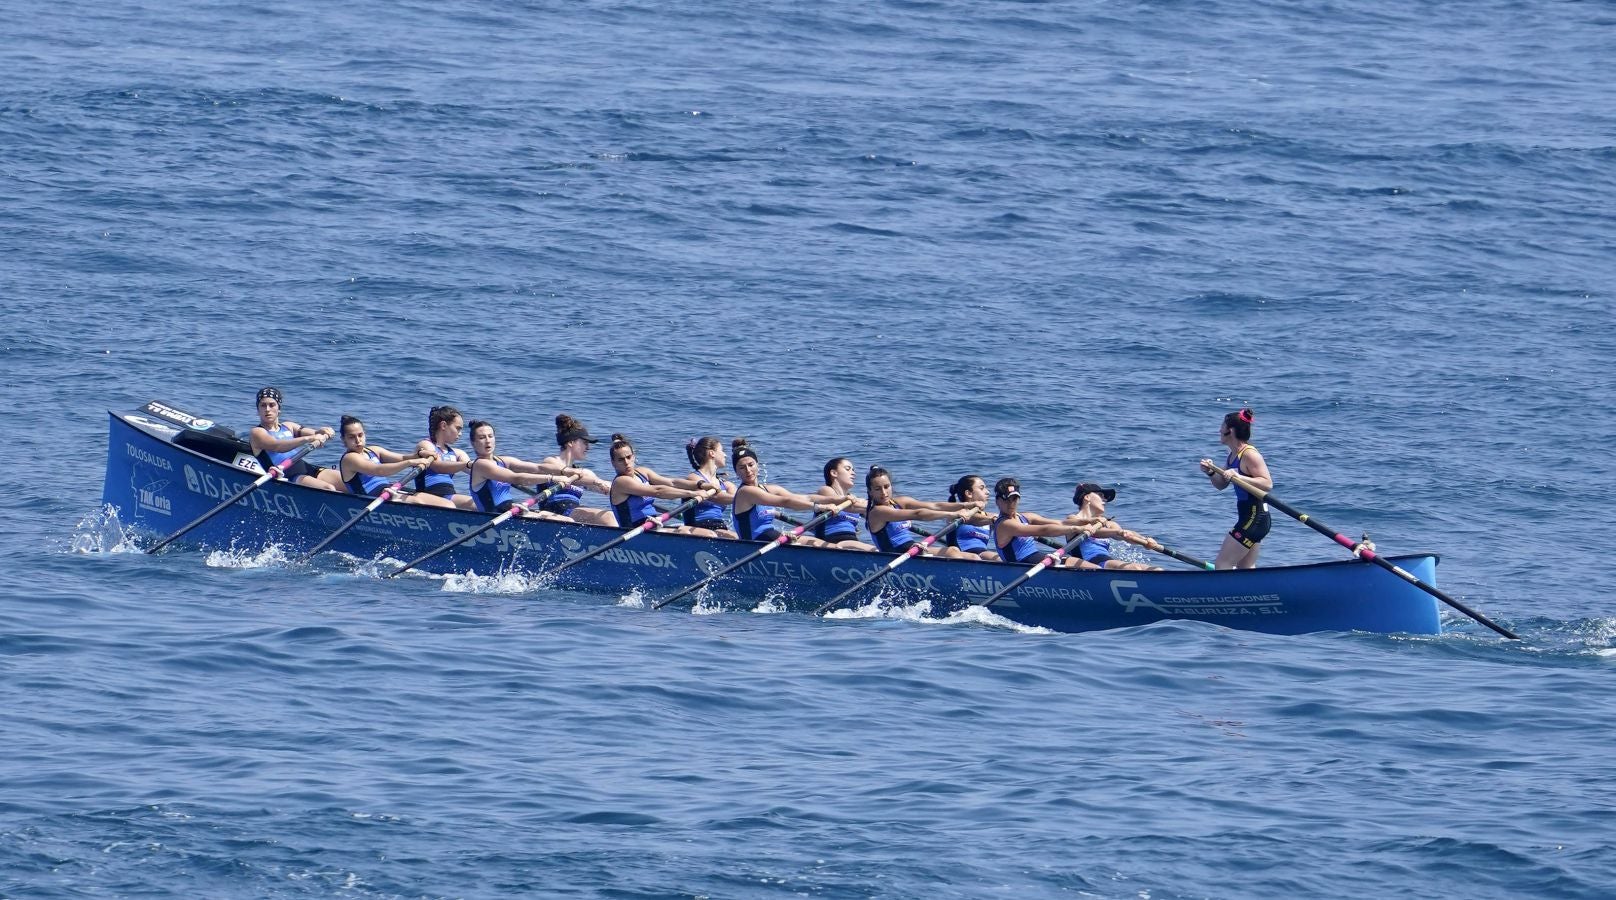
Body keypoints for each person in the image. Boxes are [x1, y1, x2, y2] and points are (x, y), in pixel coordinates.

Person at [1199, 407, 1273, 569]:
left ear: (1230, 431)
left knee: (1222, 564)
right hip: (1250, 518)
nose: (1219, 430)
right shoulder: (1233, 455)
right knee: (1245, 568)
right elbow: (1221, 485)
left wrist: (1239, 476)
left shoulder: (1249, 454)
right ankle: (1256, 594)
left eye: (1222, 426)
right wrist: (1211, 472)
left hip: (1255, 517)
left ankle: (1222, 594)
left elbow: (1267, 484)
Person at [730, 439, 838, 546]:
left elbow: (806, 498)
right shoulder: (745, 492)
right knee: (815, 545)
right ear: (736, 472)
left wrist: (839, 499)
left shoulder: (769, 489)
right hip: (753, 545)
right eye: (742, 467)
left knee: (821, 544)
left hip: (770, 538)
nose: (748, 470)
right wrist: (819, 507)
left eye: (751, 465)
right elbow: (786, 502)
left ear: (757, 464)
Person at [606, 434, 716, 534]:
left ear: (633, 456)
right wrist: (691, 493)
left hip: (653, 524)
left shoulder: (643, 472)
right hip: (633, 533)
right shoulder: (621, 482)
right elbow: (658, 491)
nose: (626, 462)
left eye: (628, 457)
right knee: (686, 533)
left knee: (707, 534)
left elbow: (672, 482)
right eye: (621, 460)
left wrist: (701, 485)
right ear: (613, 463)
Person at [336, 416, 454, 508]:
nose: (358, 440)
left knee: (446, 504)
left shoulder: (374, 450)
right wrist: (411, 463)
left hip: (388, 491)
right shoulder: (350, 459)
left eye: (360, 435)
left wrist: (419, 454)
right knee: (418, 501)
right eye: (352, 437)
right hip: (370, 499)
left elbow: (402, 457)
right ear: (343, 440)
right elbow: (379, 470)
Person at [465, 419, 574, 518]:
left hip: (509, 512)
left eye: (490, 436)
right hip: (493, 518)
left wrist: (568, 471)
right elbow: (516, 478)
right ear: (473, 443)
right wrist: (553, 478)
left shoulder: (502, 461)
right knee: (565, 522)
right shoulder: (481, 465)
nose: (488, 441)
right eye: (482, 438)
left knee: (564, 519)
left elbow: (538, 467)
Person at [863, 466, 977, 557]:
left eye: (886, 486)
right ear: (870, 492)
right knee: (952, 553)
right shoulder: (877, 512)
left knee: (965, 554)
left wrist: (968, 504)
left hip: (913, 549)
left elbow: (935, 505)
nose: (884, 492)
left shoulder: (900, 502)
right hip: (895, 556)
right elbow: (918, 514)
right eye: (878, 489)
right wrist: (954, 514)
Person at [248, 386, 343, 491]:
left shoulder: (288, 426)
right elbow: (278, 446)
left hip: (307, 468)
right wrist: (309, 438)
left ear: (279, 408)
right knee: (329, 488)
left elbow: (315, 433)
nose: (267, 409)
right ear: (258, 410)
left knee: (346, 482)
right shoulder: (257, 432)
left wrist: (324, 432)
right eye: (263, 405)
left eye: (272, 405)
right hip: (289, 477)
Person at [991, 477, 1093, 567]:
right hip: (1019, 566)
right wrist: (1076, 529)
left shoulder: (1026, 517)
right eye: (1006, 499)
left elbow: (1061, 523)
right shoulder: (1005, 524)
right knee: (1074, 562)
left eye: (1014, 499)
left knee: (1077, 562)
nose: (1011, 503)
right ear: (997, 501)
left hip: (1035, 560)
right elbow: (1043, 530)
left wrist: (1089, 521)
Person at [536, 414, 615, 525]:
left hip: (572, 513)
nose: (588, 447)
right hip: (554, 514)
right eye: (585, 442)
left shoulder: (583, 472)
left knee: (612, 515)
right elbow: (567, 477)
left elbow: (610, 487)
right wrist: (596, 482)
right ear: (570, 442)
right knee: (607, 517)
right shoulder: (550, 462)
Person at [1064, 483, 1160, 571]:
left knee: (1156, 570)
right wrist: (1115, 532)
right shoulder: (1073, 518)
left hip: (1104, 562)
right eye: (1101, 495)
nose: (1105, 499)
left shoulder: (1109, 524)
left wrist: (1145, 540)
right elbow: (1090, 530)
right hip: (1085, 563)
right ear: (1087, 497)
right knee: (1134, 568)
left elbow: (1126, 534)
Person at [412, 405, 477, 510]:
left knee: (480, 504)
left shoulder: (457, 453)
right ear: (443, 425)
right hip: (427, 495)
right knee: (450, 505)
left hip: (448, 496)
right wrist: (466, 464)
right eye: (458, 428)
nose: (460, 434)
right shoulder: (425, 446)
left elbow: (474, 470)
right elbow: (438, 467)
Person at [809, 457, 875, 550]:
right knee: (873, 550)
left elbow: (873, 513)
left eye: (853, 470)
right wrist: (873, 503)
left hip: (851, 542)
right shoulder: (826, 490)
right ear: (834, 473)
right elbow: (843, 502)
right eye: (848, 469)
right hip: (829, 542)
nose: (853, 473)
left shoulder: (853, 499)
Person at [683, 436, 739, 538]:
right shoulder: (694, 478)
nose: (725, 455)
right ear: (712, 453)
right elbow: (717, 497)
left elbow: (739, 500)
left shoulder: (727, 485)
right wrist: (750, 498)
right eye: (722, 451)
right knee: (730, 537)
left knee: (739, 537)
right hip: (696, 526)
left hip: (719, 527)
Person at [945, 475, 1000, 560]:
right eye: (982, 488)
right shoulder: (956, 513)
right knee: (976, 557)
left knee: (1000, 557)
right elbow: (971, 517)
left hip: (981, 555)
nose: (988, 492)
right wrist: (992, 520)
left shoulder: (990, 516)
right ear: (969, 494)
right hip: (958, 555)